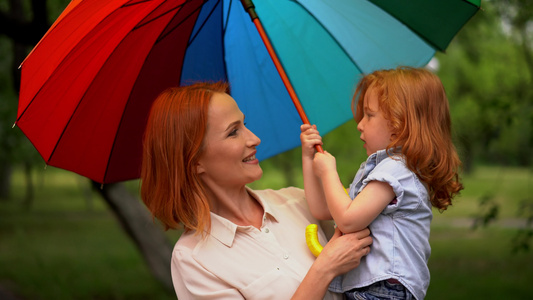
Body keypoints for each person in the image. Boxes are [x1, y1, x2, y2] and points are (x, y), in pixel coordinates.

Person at [140, 82, 373, 300]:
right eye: (233, 132)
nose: (255, 139)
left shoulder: (298, 201)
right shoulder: (194, 259)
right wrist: (325, 269)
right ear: (194, 161)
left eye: (244, 124)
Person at [300, 67, 463, 300]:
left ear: (398, 125)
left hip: (384, 291)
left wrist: (328, 173)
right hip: (372, 289)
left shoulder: (396, 169)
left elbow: (347, 219)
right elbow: (323, 209)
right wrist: (309, 158)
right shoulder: (380, 170)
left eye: (369, 115)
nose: (360, 124)